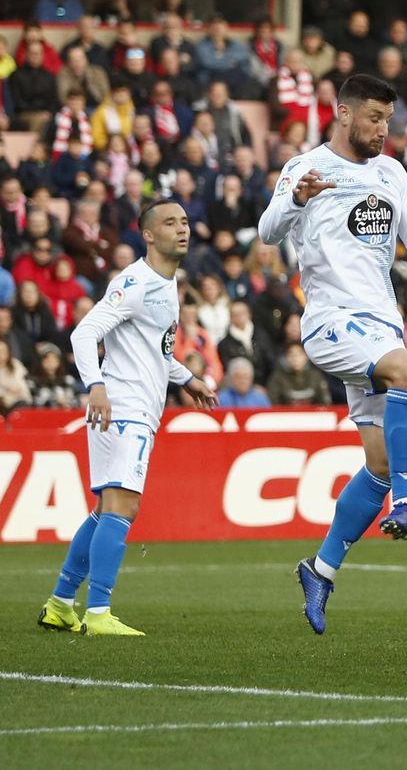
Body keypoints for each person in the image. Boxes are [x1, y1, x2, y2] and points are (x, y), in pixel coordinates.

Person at [261, 74, 407, 634]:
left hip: (380, 327)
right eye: (375, 118)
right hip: (330, 321)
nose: (384, 130)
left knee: (377, 465)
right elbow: (266, 230)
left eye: (389, 120)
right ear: (344, 113)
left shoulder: (391, 173)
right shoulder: (305, 168)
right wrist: (294, 200)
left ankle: (320, 569)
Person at [40, 201, 217, 637]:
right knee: (123, 505)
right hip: (123, 408)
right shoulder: (136, 282)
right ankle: (98, 612)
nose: (183, 229)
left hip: (127, 407)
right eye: (170, 223)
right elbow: (84, 333)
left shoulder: (167, 281)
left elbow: (153, 350)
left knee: (106, 508)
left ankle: (61, 603)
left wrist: (187, 378)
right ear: (149, 236)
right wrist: (95, 386)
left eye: (185, 221)